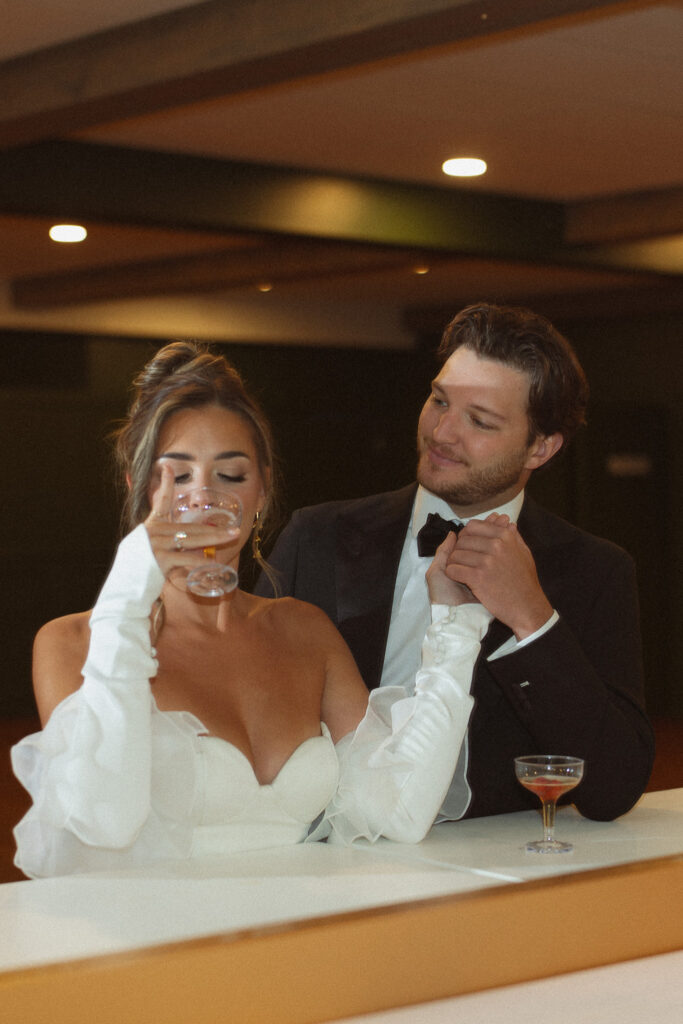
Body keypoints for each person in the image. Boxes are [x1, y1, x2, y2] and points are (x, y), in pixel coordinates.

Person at [12, 341, 494, 878]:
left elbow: (395, 813)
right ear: (140, 489)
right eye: (177, 476)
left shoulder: (304, 630)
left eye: (230, 475)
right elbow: (104, 820)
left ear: (261, 492)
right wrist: (127, 595)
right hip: (153, 929)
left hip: (299, 925)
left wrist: (456, 628)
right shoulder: (72, 643)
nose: (202, 495)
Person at [255, 303, 655, 822]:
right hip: (316, 845)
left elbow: (613, 788)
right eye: (439, 400)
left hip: (486, 862)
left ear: (540, 448)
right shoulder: (316, 536)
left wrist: (532, 618)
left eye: (479, 421)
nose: (442, 432)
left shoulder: (594, 571)